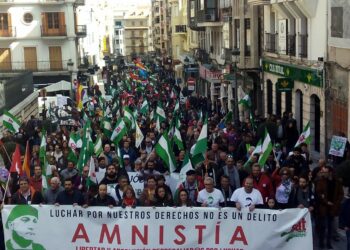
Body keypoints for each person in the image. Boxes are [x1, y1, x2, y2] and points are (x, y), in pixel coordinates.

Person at [314, 166, 344, 249]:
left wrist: (336, 203)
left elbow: (341, 194)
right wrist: (326, 201)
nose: (323, 173)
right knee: (322, 227)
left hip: (333, 208)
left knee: (330, 227)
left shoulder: (337, 182)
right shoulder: (320, 181)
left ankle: (328, 243)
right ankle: (321, 243)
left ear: (330, 172)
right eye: (322, 172)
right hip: (323, 207)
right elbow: (318, 193)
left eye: (325, 172)